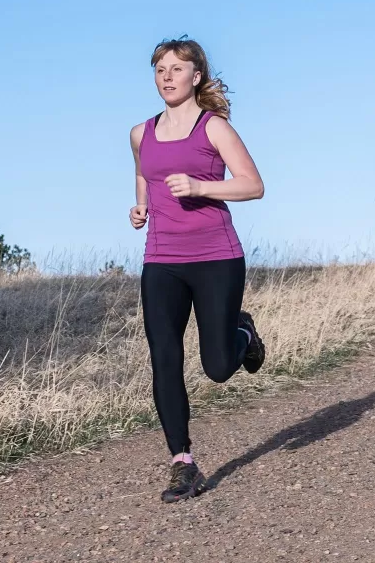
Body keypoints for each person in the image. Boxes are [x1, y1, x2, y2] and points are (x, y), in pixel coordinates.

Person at [129, 36, 266, 503]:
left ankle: (243, 333)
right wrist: (141, 207)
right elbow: (144, 174)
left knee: (218, 367)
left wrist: (203, 187)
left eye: (176, 69)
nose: (166, 76)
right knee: (164, 356)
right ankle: (182, 463)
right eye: (159, 69)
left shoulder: (214, 129)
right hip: (161, 260)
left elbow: (253, 185)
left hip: (216, 257)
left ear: (196, 77)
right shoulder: (140, 132)